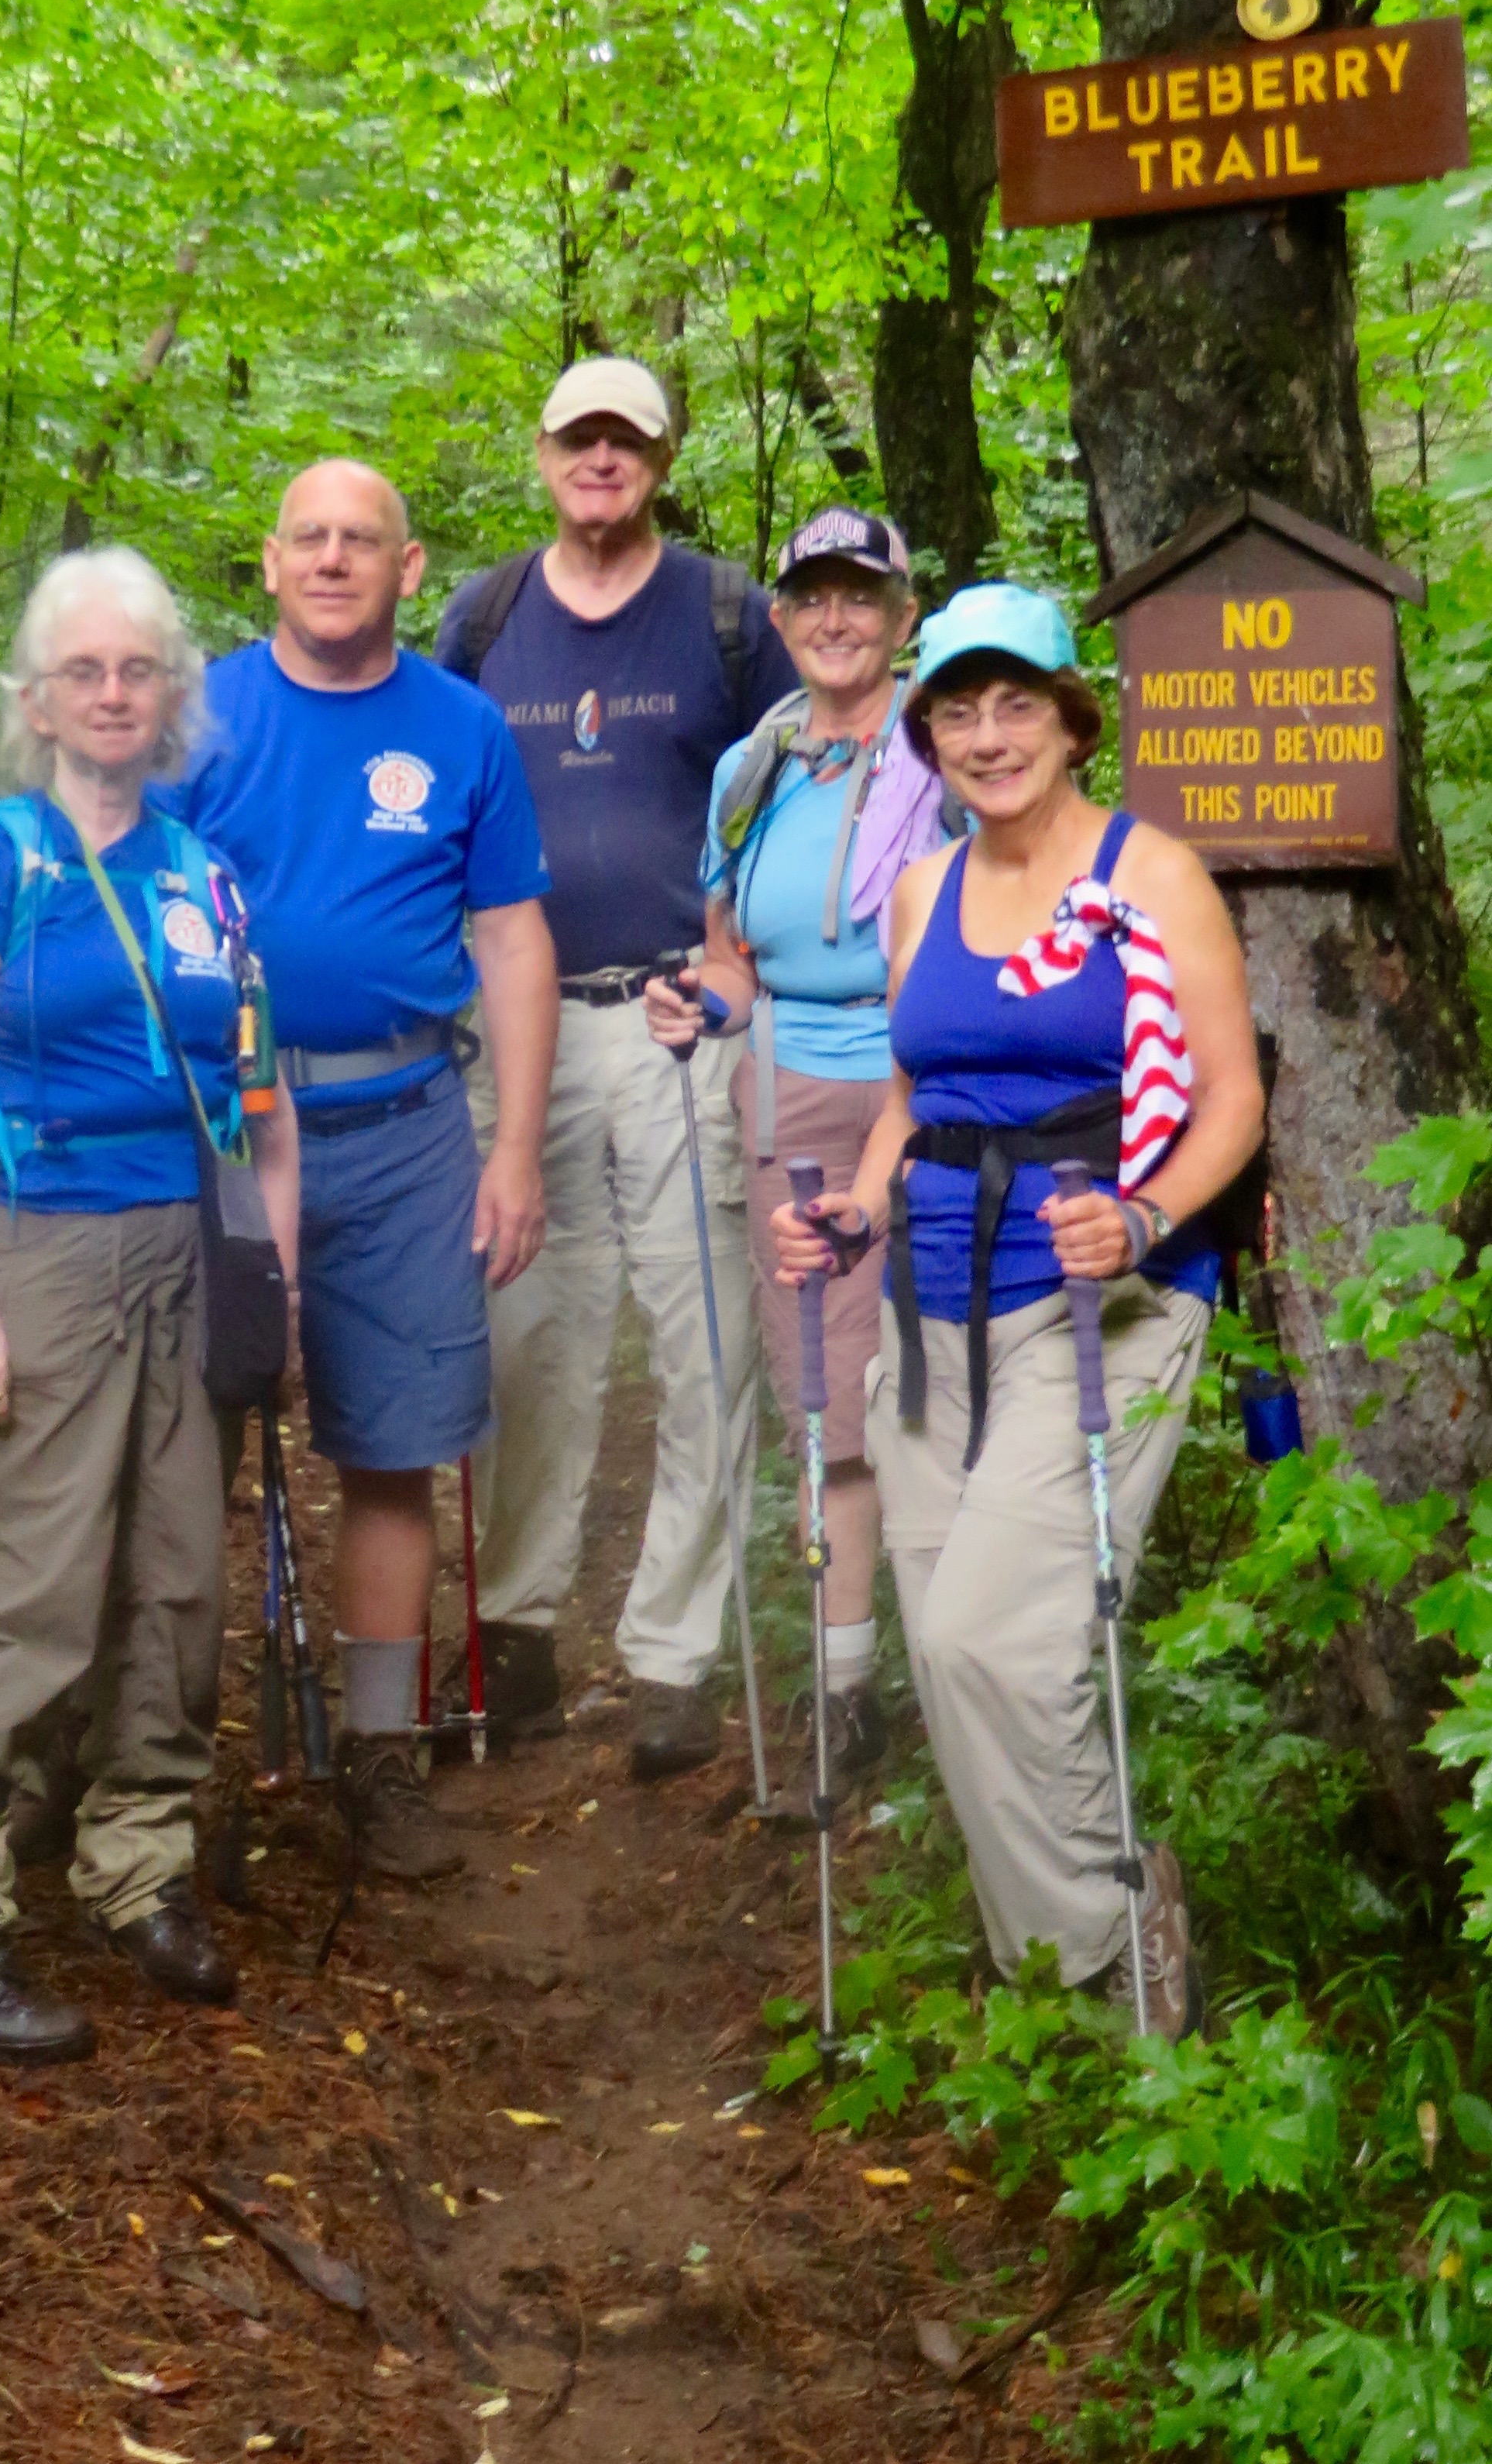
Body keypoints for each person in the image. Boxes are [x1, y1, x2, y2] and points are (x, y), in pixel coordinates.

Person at [772, 583, 1264, 2028]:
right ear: (927, 732)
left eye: (1016, 704)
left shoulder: (1151, 873)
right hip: (935, 1300)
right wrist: (858, 1208)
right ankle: (1050, 1970)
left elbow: (1231, 1100)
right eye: (959, 711)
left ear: (1070, 716)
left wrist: (1150, 1215)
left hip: (1102, 1296)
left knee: (1003, 1634)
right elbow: (910, 1097)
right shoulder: (923, 886)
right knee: (944, 1651)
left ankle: (1116, 1953)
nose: (988, 737)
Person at [0, 548, 299, 2063]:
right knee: (40, 1577)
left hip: (187, 1245)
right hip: (39, 1238)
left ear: (175, 694)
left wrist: (268, 1282)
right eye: (83, 670)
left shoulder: (207, 869)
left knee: (177, 1575)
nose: (113, 693)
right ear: (36, 699)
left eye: (140, 669)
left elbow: (261, 1101)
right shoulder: (0, 854)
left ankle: (138, 1862)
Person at [174, 459, 558, 1881]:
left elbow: (514, 940)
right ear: (270, 562)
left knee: (395, 1450)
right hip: (219, 1133)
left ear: (409, 571)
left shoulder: (463, 730)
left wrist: (514, 1146)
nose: (335, 560)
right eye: (310, 539)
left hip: (403, 1125)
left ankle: (382, 1757)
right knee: (185, 1447)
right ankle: (161, 1769)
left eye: (364, 542)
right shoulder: (199, 713)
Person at [435, 357, 800, 1780]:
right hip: (514, 1032)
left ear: (660, 457)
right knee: (532, 1331)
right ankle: (513, 1634)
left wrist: (744, 967)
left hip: (676, 1024)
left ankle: (673, 1655)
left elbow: (799, 783)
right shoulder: (484, 616)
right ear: (542, 454)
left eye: (627, 439)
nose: (602, 458)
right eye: (579, 437)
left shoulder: (723, 614)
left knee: (704, 1336)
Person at [645, 506, 933, 1788]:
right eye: (811, 595)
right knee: (828, 1399)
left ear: (903, 616)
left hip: (943, 1095)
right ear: (781, 618)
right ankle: (846, 1687)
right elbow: (736, 959)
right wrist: (700, 1003)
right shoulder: (754, 768)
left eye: (860, 596)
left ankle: (970, 1665)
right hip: (794, 1103)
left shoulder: (951, 747)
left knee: (947, 1386)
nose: (834, 617)